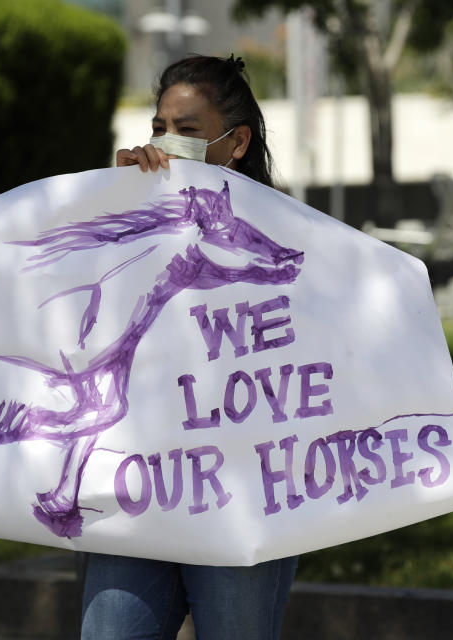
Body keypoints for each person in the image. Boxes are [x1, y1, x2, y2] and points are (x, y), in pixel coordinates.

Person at [80, 54, 297, 640]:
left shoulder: (289, 235)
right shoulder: (131, 205)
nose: (166, 141)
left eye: (188, 130)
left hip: (244, 497)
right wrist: (112, 194)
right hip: (139, 488)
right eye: (159, 128)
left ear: (236, 142)